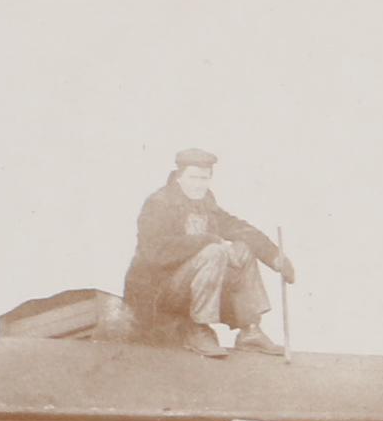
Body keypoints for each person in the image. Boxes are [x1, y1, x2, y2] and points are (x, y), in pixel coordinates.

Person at [125, 149, 295, 357]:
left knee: (242, 249)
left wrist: (275, 256)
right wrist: (207, 240)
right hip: (159, 291)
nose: (199, 184)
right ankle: (199, 328)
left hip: (189, 285)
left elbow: (234, 226)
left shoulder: (205, 200)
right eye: (193, 177)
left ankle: (250, 329)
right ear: (179, 177)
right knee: (214, 251)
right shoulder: (158, 203)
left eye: (204, 178)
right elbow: (154, 252)